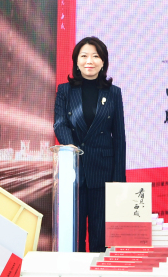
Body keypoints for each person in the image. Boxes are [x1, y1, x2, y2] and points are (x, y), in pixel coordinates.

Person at [53, 36, 126, 253]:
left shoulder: (113, 93)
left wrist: (119, 179)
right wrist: (72, 149)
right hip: (74, 173)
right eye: (84, 56)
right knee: (74, 236)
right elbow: (59, 124)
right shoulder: (65, 90)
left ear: (103, 62)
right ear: (76, 61)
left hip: (103, 174)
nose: (89, 61)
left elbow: (119, 137)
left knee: (100, 238)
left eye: (95, 56)